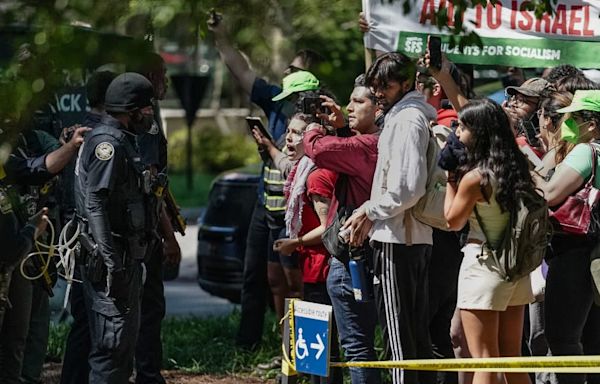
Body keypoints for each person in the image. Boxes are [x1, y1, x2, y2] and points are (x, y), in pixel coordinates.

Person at [208, 10, 323, 350]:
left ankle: (305, 351)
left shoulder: (318, 119)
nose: (288, 73)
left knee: (297, 282)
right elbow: (241, 71)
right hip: (267, 204)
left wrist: (272, 148)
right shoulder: (275, 102)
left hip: (295, 212)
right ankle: (276, 346)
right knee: (269, 280)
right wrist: (221, 37)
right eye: (288, 68)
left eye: (296, 70)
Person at [344, 52, 438, 384]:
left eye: (387, 85)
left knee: (399, 342)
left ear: (405, 83)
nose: (380, 93)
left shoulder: (406, 120)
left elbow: (407, 188)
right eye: (376, 86)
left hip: (399, 240)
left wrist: (369, 210)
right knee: (413, 339)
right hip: (407, 237)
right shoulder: (406, 116)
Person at [444, 98, 535, 384]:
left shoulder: (475, 178)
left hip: (483, 265)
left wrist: (450, 179)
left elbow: (452, 221)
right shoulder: (518, 167)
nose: (457, 133)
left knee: (483, 357)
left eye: (463, 127)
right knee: (511, 358)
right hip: (516, 267)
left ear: (480, 131)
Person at [74, 72, 155, 383]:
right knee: (110, 349)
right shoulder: (107, 145)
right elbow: (95, 205)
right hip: (112, 262)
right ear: (131, 110)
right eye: (146, 109)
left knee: (121, 350)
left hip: (125, 257)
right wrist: (112, 266)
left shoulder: (123, 140)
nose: (149, 115)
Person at [303, 74, 382, 384]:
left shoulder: (367, 145)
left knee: (357, 348)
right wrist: (341, 127)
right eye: (349, 100)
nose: (348, 107)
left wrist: (312, 128)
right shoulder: (379, 141)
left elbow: (320, 151)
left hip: (353, 260)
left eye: (358, 101)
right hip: (369, 256)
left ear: (378, 109)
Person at [534, 90, 600, 384]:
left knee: (563, 339)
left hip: (572, 252)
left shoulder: (587, 151)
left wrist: (522, 165)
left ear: (591, 124)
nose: (566, 123)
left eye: (573, 117)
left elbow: (549, 194)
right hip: (591, 252)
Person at [272, 112, 342, 384]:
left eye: (298, 133)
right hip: (311, 266)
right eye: (289, 131)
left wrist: (295, 242)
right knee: (318, 350)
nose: (289, 137)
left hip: (322, 269)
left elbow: (326, 227)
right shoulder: (303, 170)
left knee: (321, 350)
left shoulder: (315, 176)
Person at [60, 70, 117, 384]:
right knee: (95, 323)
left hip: (79, 234)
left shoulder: (77, 130)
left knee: (84, 320)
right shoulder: (102, 136)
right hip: (95, 239)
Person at [131, 52, 181, 384]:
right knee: (147, 310)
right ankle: (147, 375)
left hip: (139, 227)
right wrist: (168, 235)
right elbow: (152, 184)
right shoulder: (145, 121)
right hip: (141, 231)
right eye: (162, 73)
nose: (166, 79)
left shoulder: (144, 115)